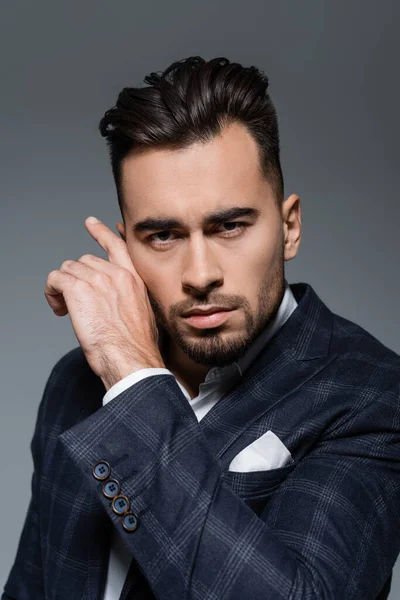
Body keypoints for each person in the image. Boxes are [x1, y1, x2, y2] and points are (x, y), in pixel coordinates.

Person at [3, 55, 399, 600]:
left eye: (230, 226)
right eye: (163, 236)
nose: (200, 275)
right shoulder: (76, 384)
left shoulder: (374, 397)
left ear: (288, 228)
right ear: (124, 246)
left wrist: (135, 378)